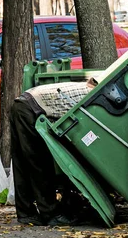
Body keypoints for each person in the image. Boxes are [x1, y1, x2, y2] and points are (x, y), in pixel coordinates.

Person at [10, 80, 95, 226]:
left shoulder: (81, 87)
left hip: (21, 104)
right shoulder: (92, 97)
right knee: (40, 164)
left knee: (22, 164)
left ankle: (26, 213)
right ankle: (50, 214)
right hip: (31, 111)